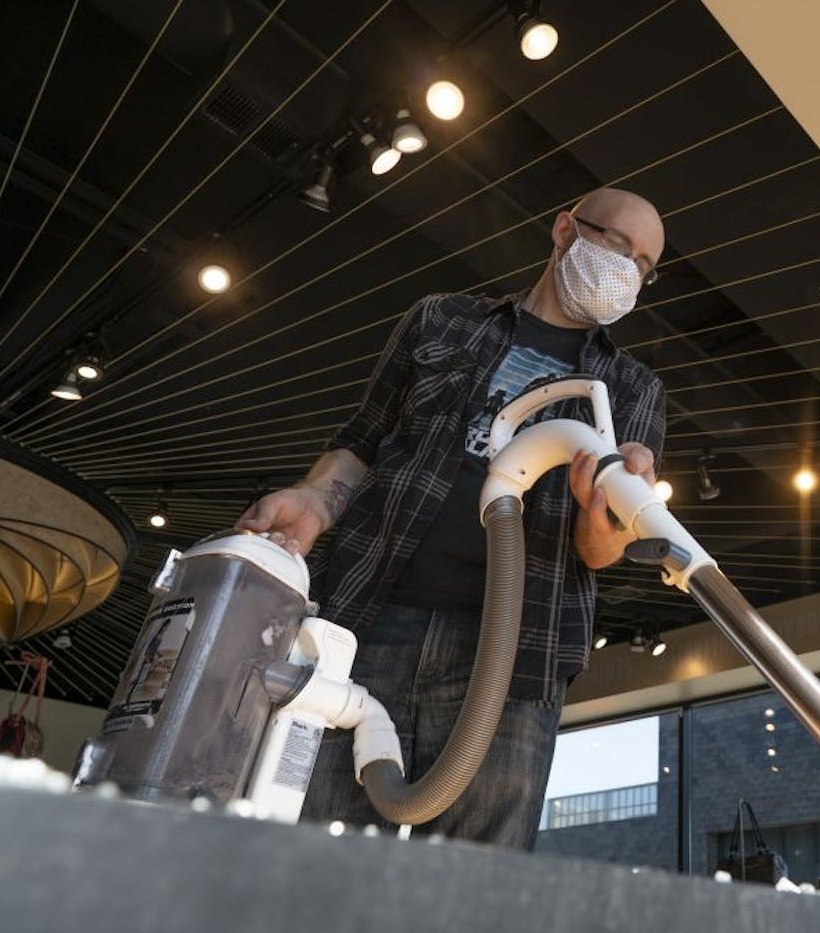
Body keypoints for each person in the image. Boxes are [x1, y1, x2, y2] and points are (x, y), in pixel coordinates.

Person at [236, 187, 666, 848]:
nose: (627, 271)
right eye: (617, 245)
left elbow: (598, 553)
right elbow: (365, 436)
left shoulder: (633, 390)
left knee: (474, 879)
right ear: (562, 229)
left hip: (515, 654)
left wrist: (604, 511)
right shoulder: (442, 321)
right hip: (367, 623)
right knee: (313, 850)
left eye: (642, 265)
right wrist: (316, 500)